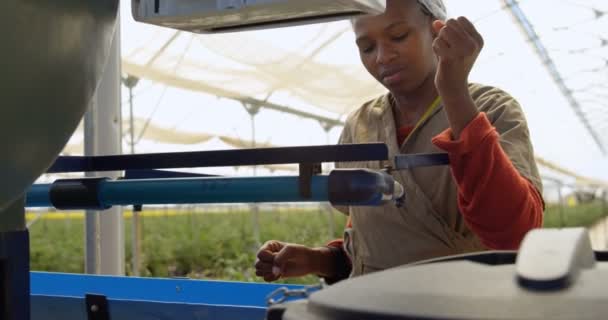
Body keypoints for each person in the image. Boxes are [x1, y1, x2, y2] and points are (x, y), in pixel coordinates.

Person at [255, 0, 544, 283]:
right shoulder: (360, 125)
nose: (382, 56)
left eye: (398, 36)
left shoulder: (491, 109)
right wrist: (319, 259)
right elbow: (371, 240)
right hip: (370, 306)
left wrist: (454, 92)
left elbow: (513, 233)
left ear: (438, 31)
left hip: (463, 305)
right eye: (367, 47)